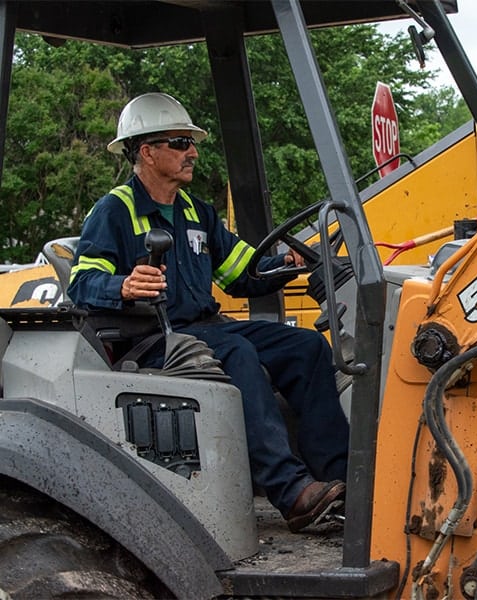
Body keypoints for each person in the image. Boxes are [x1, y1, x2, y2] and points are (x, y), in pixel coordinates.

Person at [67, 92, 349, 533]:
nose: (193, 152)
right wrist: (122, 284)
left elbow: (241, 273)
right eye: (181, 142)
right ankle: (291, 491)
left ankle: (340, 478)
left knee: (306, 345)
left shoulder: (198, 213)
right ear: (147, 151)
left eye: (191, 143)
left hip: (202, 329)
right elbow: (82, 282)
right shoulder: (114, 211)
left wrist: (287, 263)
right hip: (152, 338)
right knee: (236, 350)